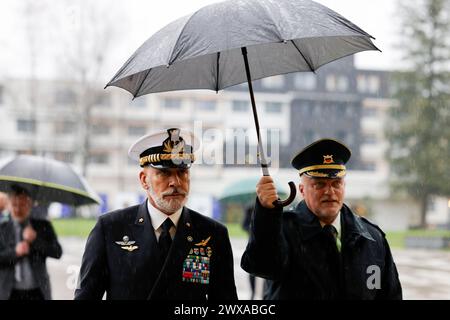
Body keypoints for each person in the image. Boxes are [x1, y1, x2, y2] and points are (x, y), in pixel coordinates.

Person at [75, 128, 238, 300]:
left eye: (182, 172)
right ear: (144, 180)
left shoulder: (212, 233)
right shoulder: (110, 228)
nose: (175, 182)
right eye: (164, 173)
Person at [241, 139, 402, 299]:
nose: (330, 192)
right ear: (302, 190)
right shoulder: (283, 231)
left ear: (344, 186)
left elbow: (390, 295)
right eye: (319, 184)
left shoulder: (372, 239)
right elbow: (261, 266)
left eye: (336, 183)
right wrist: (266, 214)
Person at [0, 185, 63, 300]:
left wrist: (35, 239)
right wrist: (15, 253)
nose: (18, 209)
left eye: (22, 205)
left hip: (38, 292)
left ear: (30, 204)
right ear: (9, 204)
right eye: (14, 205)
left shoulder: (43, 226)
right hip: (8, 293)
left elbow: (57, 252)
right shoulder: (2, 228)